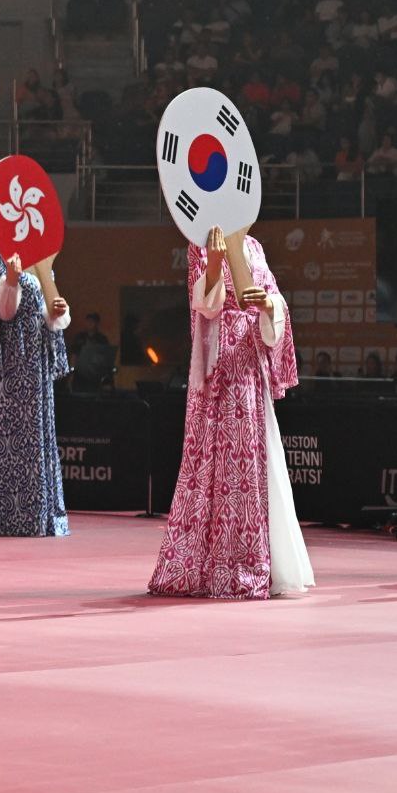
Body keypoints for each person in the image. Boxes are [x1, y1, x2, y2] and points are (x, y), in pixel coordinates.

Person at [148, 226, 313, 600]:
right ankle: (213, 563)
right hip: (218, 367)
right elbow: (204, 306)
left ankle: (257, 560)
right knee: (214, 459)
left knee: (254, 458)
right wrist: (216, 261)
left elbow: (276, 301)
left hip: (250, 365)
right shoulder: (201, 243)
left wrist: (268, 304)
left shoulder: (254, 246)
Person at [0, 251, 71, 538]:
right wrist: (12, 279)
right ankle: (4, 518)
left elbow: (51, 315)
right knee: (6, 438)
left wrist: (59, 311)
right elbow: (4, 312)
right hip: (9, 366)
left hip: (37, 364)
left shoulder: (43, 263)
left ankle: (41, 517)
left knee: (38, 435)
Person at [73, 312, 116, 391]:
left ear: (97, 323)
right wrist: (73, 370)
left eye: (92, 321)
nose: (89, 324)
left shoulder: (102, 339)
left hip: (95, 373)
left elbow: (105, 358)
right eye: (88, 321)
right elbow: (74, 354)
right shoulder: (80, 337)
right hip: (81, 373)